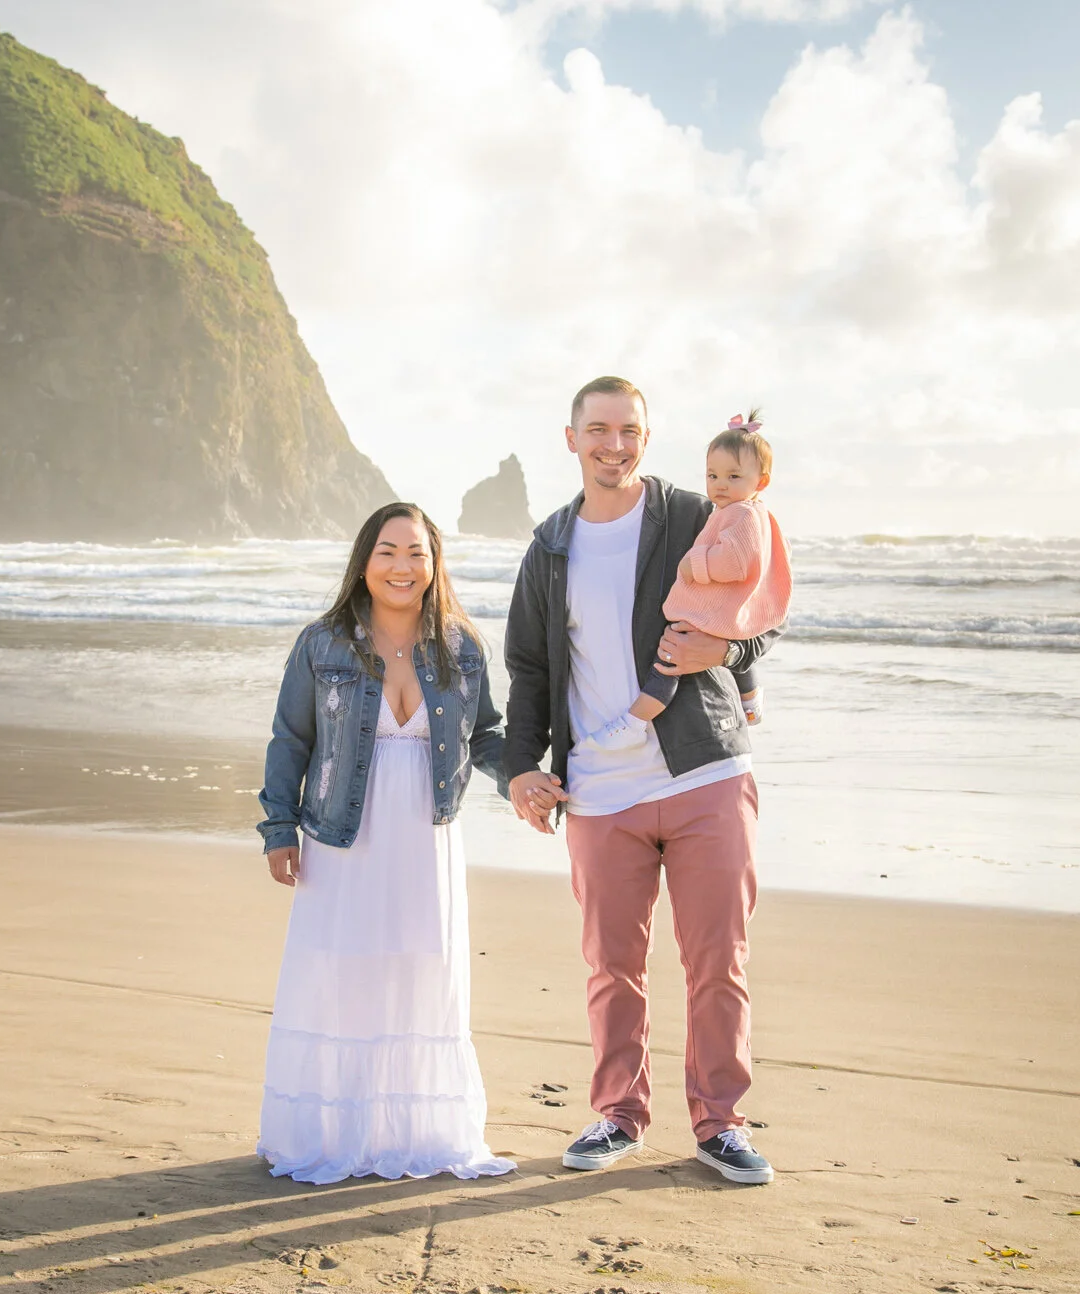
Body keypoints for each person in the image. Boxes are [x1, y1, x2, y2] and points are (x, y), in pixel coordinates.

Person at [501, 376, 781, 1185]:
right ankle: (619, 1114)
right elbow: (529, 667)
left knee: (717, 960)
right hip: (599, 788)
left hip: (704, 769)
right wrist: (522, 766)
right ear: (572, 438)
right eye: (598, 429)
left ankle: (721, 1124)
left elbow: (763, 609)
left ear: (645, 439)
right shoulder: (551, 546)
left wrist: (723, 652)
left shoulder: (697, 515)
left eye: (628, 429)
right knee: (611, 966)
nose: (613, 444)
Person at [254, 502, 515, 1184]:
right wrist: (279, 828)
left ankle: (416, 1132)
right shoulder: (323, 643)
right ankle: (337, 1132)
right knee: (344, 972)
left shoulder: (461, 646)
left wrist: (523, 779)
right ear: (365, 561)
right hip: (344, 835)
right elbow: (291, 739)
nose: (403, 566)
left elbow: (485, 734)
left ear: (435, 564)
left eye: (417, 553)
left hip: (428, 836)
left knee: (420, 969)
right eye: (389, 552)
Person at [584, 410, 790, 747]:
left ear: (761, 481)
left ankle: (636, 720)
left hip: (708, 610)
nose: (720, 484)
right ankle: (750, 700)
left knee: (668, 663)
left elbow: (734, 563)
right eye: (712, 475)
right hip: (727, 611)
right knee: (733, 635)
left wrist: (693, 564)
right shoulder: (744, 511)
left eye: (734, 476)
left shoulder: (742, 514)